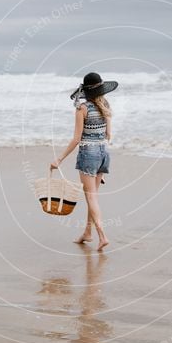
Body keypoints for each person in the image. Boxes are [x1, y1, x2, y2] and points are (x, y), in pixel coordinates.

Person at [50, 72, 118, 251]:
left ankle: (102, 236)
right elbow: (108, 135)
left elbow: (76, 139)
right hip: (104, 153)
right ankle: (87, 233)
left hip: (89, 154)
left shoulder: (82, 109)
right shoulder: (105, 106)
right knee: (92, 197)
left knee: (91, 198)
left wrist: (59, 159)